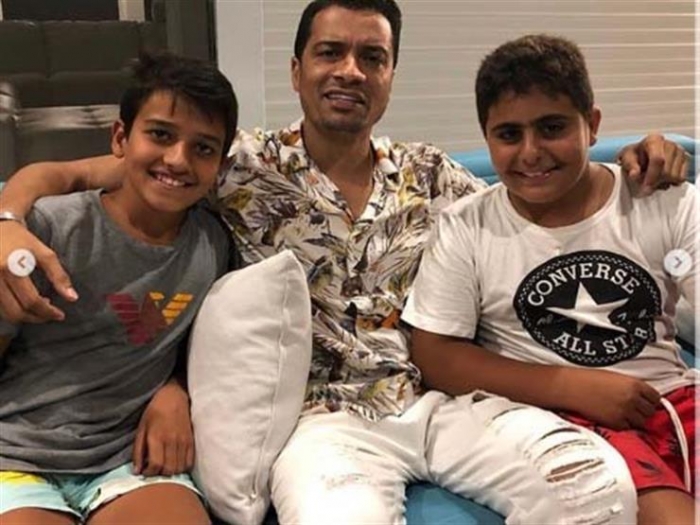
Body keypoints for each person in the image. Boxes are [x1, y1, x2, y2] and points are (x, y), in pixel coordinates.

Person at [0, 1, 690, 523]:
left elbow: (538, 188)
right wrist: (7, 220)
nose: (350, 70)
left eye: (372, 56)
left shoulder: (434, 175)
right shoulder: (229, 164)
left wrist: (636, 162)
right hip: (322, 420)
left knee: (590, 486)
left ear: (389, 77)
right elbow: (81, 175)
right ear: (296, 70)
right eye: (330, 52)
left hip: (439, 403)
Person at [403, 34, 697, 525]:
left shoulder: (661, 199)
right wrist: (575, 387)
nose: (531, 152)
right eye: (509, 134)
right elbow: (435, 354)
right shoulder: (467, 225)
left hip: (671, 397)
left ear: (592, 125)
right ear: (487, 137)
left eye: (552, 127)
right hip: (563, 417)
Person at [0, 52, 238, 525]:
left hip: (128, 459)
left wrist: (176, 389)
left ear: (221, 165)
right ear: (120, 138)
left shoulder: (213, 245)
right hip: (17, 452)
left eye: (203, 148)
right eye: (161, 135)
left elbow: (199, 347)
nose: (178, 160)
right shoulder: (49, 229)